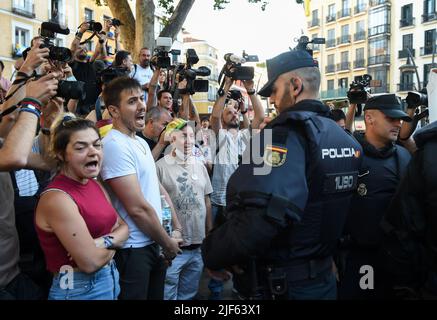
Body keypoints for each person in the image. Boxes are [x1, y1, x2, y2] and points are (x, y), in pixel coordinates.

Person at [201, 49, 363, 300]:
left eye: (274, 91)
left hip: (281, 285)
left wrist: (213, 253)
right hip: (322, 281)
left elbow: (257, 219)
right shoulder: (347, 140)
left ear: (295, 86)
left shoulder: (280, 136)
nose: (273, 101)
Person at [100, 77, 182, 300]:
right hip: (133, 250)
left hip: (154, 242)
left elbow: (157, 189)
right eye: (132, 101)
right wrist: (167, 243)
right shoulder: (114, 145)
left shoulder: (140, 142)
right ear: (114, 111)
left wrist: (175, 228)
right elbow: (137, 208)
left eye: (142, 99)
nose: (142, 106)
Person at [34, 114, 128, 300]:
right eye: (81, 147)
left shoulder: (94, 183)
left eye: (97, 144)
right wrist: (116, 242)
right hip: (77, 289)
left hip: (109, 278)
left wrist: (100, 243)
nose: (93, 152)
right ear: (61, 154)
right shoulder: (58, 198)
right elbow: (90, 262)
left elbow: (124, 227)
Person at [338, 94, 412, 299]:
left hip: (397, 259)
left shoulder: (404, 156)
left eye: (400, 119)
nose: (398, 123)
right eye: (391, 118)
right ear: (369, 118)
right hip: (362, 258)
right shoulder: (350, 156)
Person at [156, 119, 213, 300]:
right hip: (174, 250)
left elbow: (207, 201)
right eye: (183, 136)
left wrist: (209, 233)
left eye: (191, 136)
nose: (189, 141)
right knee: (167, 295)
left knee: (188, 295)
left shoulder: (200, 166)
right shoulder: (160, 168)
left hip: (198, 248)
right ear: (172, 139)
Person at [380, 120, 437, 299]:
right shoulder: (427, 154)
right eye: (390, 119)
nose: (396, 124)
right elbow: (403, 227)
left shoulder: (424, 153)